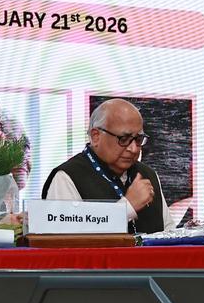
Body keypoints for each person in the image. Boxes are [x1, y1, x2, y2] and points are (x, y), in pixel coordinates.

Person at [42, 98, 175, 233]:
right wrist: (126, 208)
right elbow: (63, 239)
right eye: (124, 139)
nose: (134, 149)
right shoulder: (67, 177)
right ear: (96, 136)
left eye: (138, 139)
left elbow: (169, 232)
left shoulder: (148, 175)